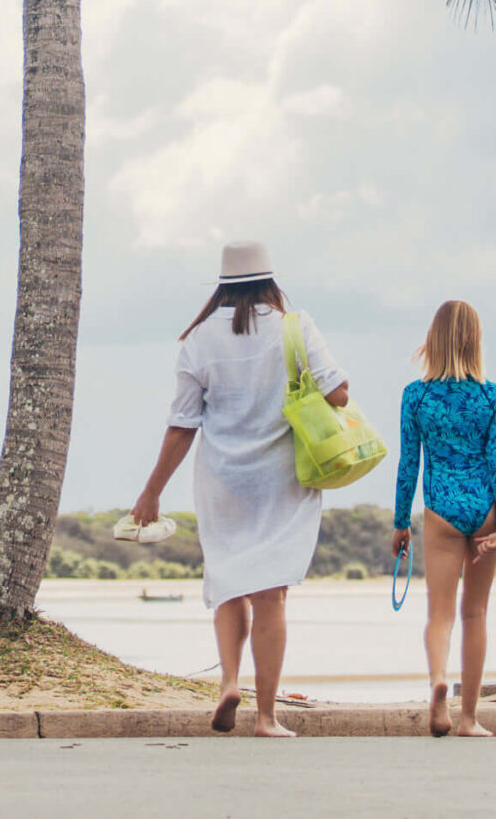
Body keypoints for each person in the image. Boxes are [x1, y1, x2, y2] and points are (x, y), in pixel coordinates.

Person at [131, 240, 349, 738]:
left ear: (223, 286)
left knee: (229, 583)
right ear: (271, 281)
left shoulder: (198, 340)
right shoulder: (295, 326)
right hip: (282, 479)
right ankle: (267, 716)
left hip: (222, 480)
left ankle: (229, 681)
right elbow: (338, 392)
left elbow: (181, 425)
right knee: (271, 595)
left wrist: (151, 493)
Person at [390, 300, 496, 737]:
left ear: (434, 339)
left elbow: (409, 464)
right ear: (475, 340)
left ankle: (439, 680)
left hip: (440, 508)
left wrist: (401, 522)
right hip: (485, 508)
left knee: (439, 615)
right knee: (475, 614)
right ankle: (469, 718)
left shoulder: (416, 395)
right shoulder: (493, 396)